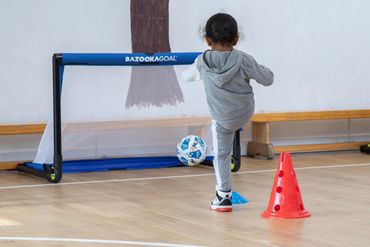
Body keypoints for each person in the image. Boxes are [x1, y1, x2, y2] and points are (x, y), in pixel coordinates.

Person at [182, 13, 274, 212]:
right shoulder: (243, 59)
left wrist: (200, 73)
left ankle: (223, 196)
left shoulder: (202, 62)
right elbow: (268, 79)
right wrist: (256, 68)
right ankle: (223, 194)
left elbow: (186, 77)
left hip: (223, 119)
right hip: (244, 112)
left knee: (221, 156)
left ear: (207, 40)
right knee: (226, 138)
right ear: (236, 39)